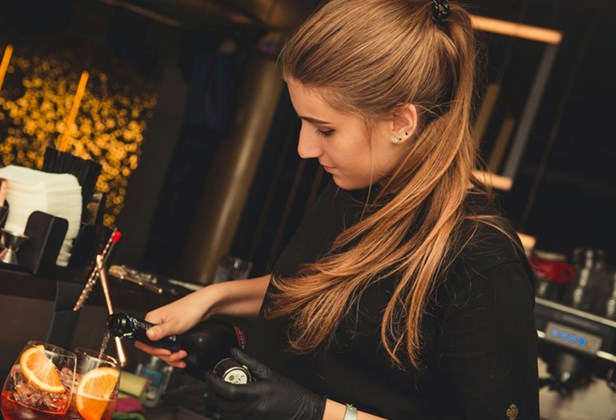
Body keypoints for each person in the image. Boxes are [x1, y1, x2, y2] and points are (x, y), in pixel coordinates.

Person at [136, 0, 539, 419]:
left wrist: (319, 413)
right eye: (304, 123)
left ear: (401, 123)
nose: (305, 149)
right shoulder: (352, 190)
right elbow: (314, 289)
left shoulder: (481, 258)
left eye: (325, 129)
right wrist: (214, 304)